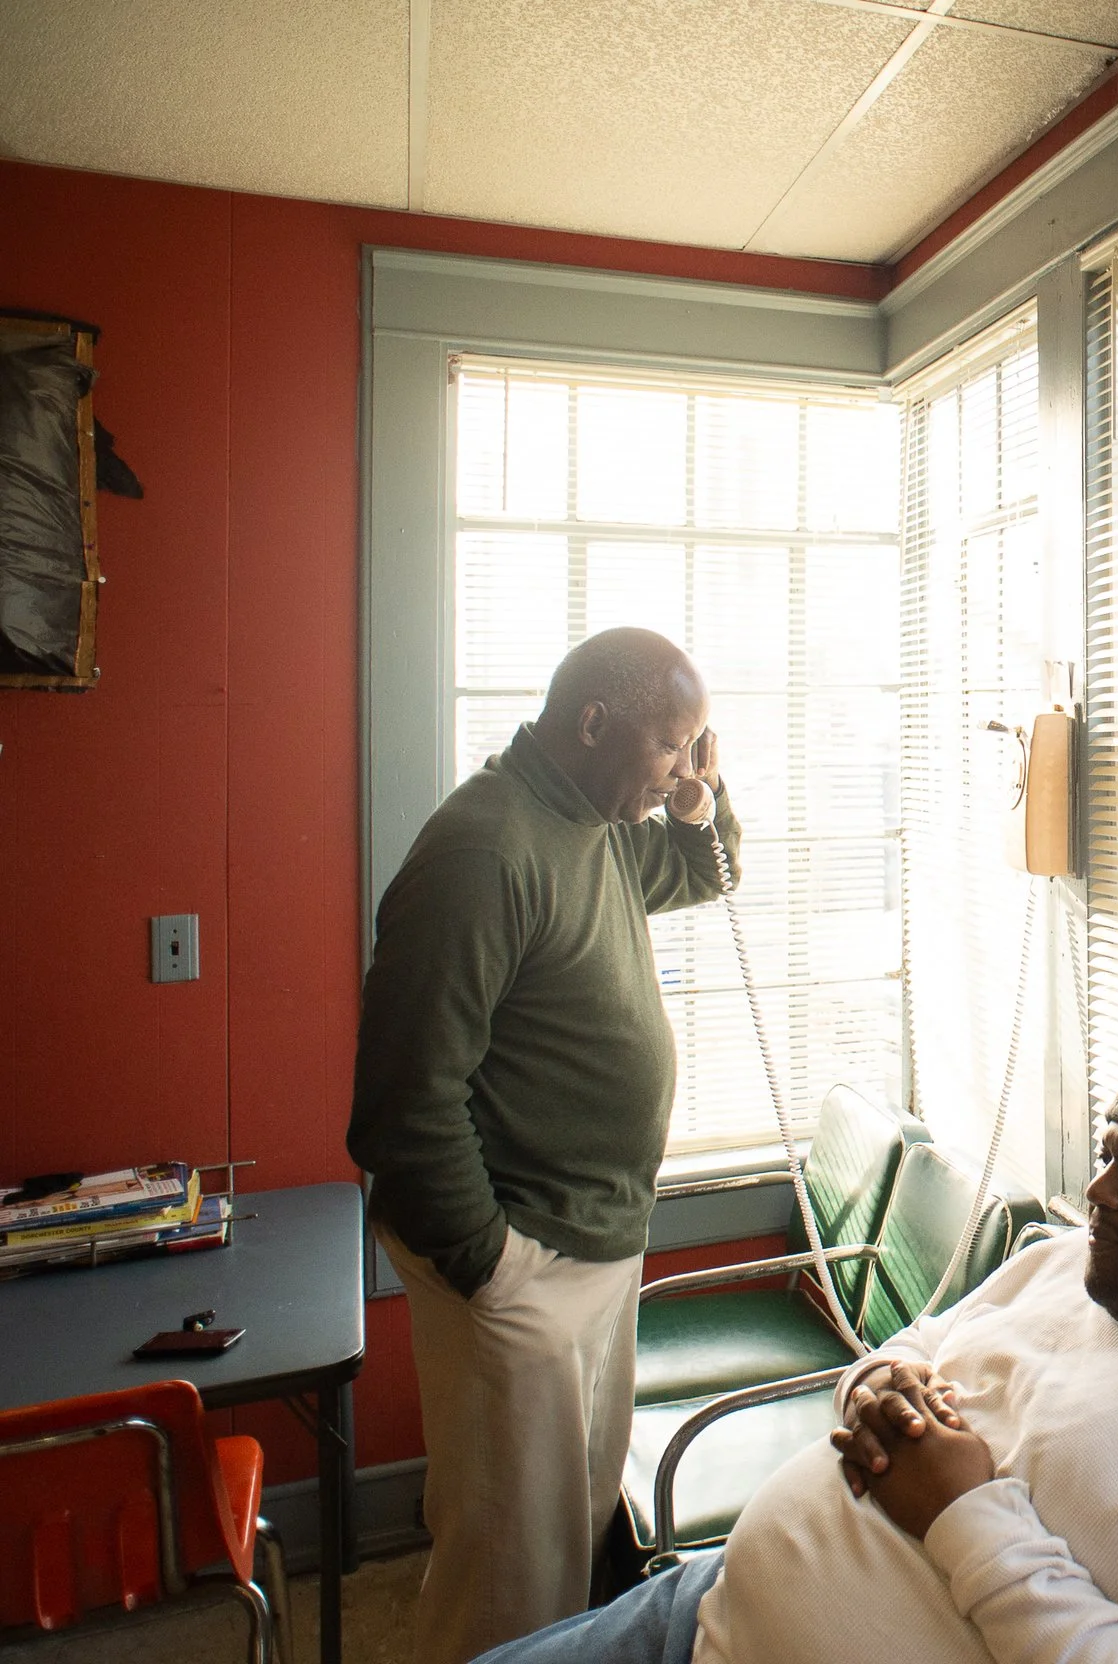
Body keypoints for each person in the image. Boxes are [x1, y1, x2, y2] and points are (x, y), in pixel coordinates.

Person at [474, 1031, 1118, 1664]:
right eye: (1106, 1156)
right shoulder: (1066, 1268)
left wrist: (964, 1511)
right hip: (707, 1605)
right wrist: (881, 1390)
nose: (1097, 1192)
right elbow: (910, 1348)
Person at [347, 627, 741, 1664]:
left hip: (594, 1238)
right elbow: (403, 1099)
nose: (678, 771)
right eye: (670, 744)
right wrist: (493, 1266)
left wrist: (693, 793)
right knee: (506, 1566)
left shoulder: (597, 818)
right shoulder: (487, 848)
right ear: (592, 723)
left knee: (569, 1532)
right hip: (520, 1257)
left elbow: (706, 877)